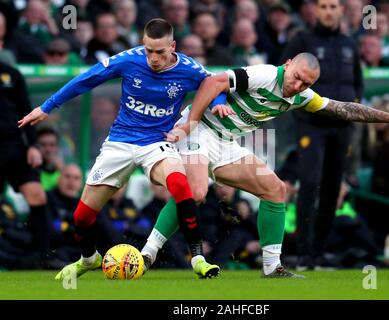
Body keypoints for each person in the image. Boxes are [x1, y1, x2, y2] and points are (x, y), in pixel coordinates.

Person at [140, 52, 389, 278]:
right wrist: (191, 124)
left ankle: (272, 266)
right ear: (288, 64)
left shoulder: (301, 96)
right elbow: (214, 80)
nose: (298, 86)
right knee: (198, 192)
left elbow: (343, 108)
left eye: (307, 83)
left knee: (275, 189)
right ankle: (148, 254)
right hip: (200, 129)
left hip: (226, 142)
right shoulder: (265, 74)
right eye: (297, 77)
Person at [18, 18, 231, 280]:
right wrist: (46, 107)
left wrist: (219, 102)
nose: (154, 58)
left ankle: (198, 258)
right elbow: (87, 78)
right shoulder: (129, 59)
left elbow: (214, 85)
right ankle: (88, 259)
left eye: (160, 52)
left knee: (180, 185)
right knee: (82, 217)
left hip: (157, 141)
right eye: (149, 51)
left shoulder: (189, 68)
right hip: (120, 141)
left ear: (173, 46)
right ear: (143, 44)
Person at [279, 0, 364, 269]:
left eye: (334, 6)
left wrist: (353, 111)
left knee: (331, 188)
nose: (329, 11)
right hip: (311, 125)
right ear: (316, 10)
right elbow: (283, 75)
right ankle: (303, 254)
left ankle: (318, 254)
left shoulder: (350, 44)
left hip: (341, 127)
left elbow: (357, 82)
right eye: (324, 6)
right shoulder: (301, 39)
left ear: (341, 10)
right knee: (310, 182)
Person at [0, 61, 51, 268]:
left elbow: (25, 109)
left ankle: (45, 258)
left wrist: (33, 145)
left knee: (37, 196)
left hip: (13, 146)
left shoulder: (11, 74)